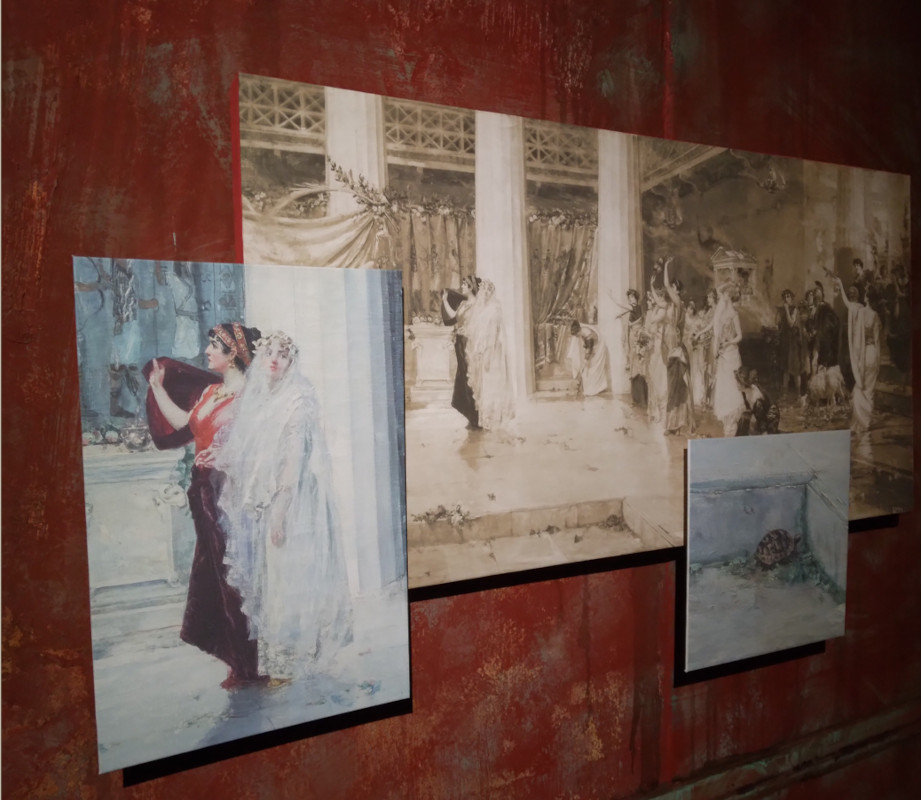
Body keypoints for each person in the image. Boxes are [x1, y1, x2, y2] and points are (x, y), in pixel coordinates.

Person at [215, 331, 353, 681]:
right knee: (274, 577)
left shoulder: (298, 400)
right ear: (260, 359)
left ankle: (293, 659)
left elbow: (294, 462)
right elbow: (253, 452)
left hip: (295, 501)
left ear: (292, 362)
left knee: (289, 575)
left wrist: (280, 510)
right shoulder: (262, 399)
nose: (275, 359)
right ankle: (281, 660)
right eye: (269, 353)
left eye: (283, 355)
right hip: (269, 498)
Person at [146, 322, 264, 689]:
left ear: (234, 355)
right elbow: (186, 424)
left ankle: (248, 664)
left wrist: (225, 457)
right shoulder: (212, 391)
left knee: (233, 575)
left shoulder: (253, 398)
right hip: (202, 492)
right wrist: (156, 388)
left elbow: (258, 449)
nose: (207, 350)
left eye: (215, 345)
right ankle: (235, 660)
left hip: (230, 493)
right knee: (213, 576)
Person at [832, 276, 881, 437]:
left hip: (863, 355)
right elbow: (878, 341)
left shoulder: (859, 312)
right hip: (873, 353)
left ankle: (860, 420)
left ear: (866, 298)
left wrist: (840, 283)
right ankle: (865, 422)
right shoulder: (875, 316)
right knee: (870, 389)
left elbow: (848, 304)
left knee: (861, 386)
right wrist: (878, 361)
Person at [463, 279, 515, 430]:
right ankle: (488, 417)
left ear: (489, 292)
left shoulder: (494, 309)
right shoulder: (485, 309)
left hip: (492, 351)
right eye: (481, 291)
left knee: (494, 383)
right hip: (485, 349)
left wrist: (487, 352)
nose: (481, 295)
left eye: (484, 292)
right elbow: (479, 332)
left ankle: (495, 417)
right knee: (487, 383)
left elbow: (492, 334)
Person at [442, 277, 481, 429]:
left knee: (470, 376)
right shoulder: (464, 303)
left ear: (471, 287)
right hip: (460, 342)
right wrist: (445, 300)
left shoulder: (477, 305)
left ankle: (476, 417)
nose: (462, 287)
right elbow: (453, 317)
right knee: (462, 378)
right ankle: (470, 415)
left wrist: (470, 332)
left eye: (465, 285)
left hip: (469, 343)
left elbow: (479, 324)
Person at [662, 258, 694, 434]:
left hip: (676, 349)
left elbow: (666, 285)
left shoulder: (678, 302)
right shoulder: (676, 304)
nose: (671, 289)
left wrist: (666, 267)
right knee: (675, 386)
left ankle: (674, 425)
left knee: (675, 386)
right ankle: (676, 423)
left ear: (677, 290)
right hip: (673, 346)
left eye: (674, 287)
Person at [709, 284, 746, 436]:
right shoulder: (720, 314)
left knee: (733, 384)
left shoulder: (733, 314)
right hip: (723, 354)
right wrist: (718, 349)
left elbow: (740, 336)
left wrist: (729, 342)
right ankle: (727, 420)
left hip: (731, 353)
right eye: (722, 296)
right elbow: (717, 336)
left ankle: (733, 420)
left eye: (724, 296)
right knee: (724, 385)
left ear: (728, 297)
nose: (721, 298)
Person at [777, 289, 806, 398]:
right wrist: (780, 314)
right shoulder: (784, 310)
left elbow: (791, 323)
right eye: (785, 296)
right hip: (785, 342)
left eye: (789, 296)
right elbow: (778, 324)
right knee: (785, 369)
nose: (786, 298)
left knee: (795, 369)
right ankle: (785, 394)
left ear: (792, 298)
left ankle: (798, 394)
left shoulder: (794, 310)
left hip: (793, 343)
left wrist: (786, 310)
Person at [570, 320, 609, 396]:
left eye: (576, 334)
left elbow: (589, 348)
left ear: (578, 331)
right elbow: (587, 345)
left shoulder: (587, 333)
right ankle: (596, 388)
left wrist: (585, 360)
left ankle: (596, 389)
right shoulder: (582, 331)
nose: (576, 336)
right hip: (594, 347)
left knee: (594, 368)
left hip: (599, 347)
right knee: (590, 369)